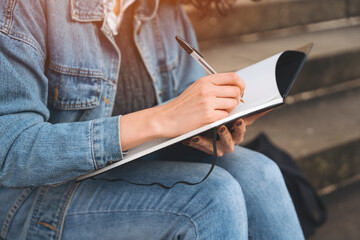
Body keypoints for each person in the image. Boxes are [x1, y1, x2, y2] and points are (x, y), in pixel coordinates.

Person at [0, 0, 305, 239]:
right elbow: (11, 149)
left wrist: (208, 127)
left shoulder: (163, 8)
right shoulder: (25, 6)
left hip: (131, 166)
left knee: (260, 173)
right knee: (214, 198)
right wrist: (161, 119)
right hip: (36, 195)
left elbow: (184, 97)